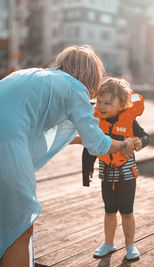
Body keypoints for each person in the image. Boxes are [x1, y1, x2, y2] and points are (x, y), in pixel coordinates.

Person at [0, 45, 136, 267]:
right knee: (19, 228)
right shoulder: (75, 88)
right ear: (92, 77)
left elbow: (29, 131)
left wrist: (83, 138)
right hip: (6, 146)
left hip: (6, 140)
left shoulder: (30, 75)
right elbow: (99, 144)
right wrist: (123, 144)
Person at [82, 77, 149, 261]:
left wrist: (138, 142)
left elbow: (146, 136)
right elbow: (89, 146)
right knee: (109, 210)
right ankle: (109, 243)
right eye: (99, 102)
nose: (101, 106)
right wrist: (86, 172)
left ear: (122, 105)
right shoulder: (96, 121)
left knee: (127, 211)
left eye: (107, 103)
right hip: (106, 173)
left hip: (126, 175)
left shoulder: (129, 121)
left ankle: (130, 245)